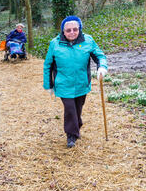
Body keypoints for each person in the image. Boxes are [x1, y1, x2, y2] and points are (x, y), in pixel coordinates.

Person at [43, 15, 108, 148]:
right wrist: (48, 84)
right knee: (70, 109)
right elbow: (48, 65)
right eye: (68, 30)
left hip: (81, 83)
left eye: (75, 29)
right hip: (63, 85)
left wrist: (102, 67)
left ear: (80, 29)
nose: (72, 32)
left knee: (78, 108)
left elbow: (100, 56)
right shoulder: (54, 44)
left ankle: (77, 124)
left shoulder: (88, 41)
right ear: (63, 31)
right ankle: (71, 135)